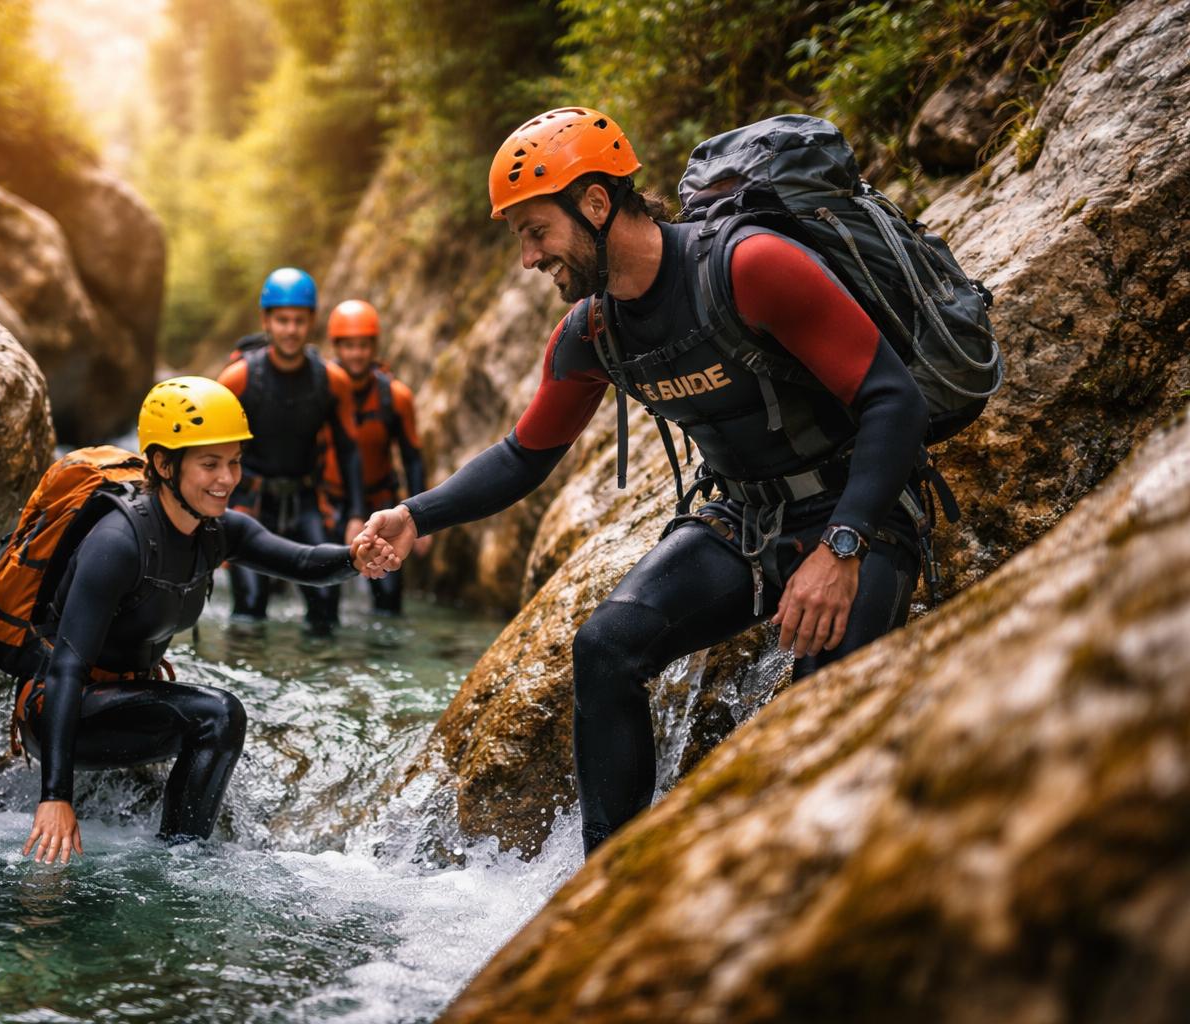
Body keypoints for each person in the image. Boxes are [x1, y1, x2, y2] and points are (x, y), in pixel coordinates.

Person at [356, 107, 931, 857]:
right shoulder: (592, 332)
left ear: (596, 204)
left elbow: (894, 399)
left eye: (536, 232)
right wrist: (415, 515)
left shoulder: (748, 267)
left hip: (862, 515)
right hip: (745, 522)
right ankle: (605, 881)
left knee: (812, 716)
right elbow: (525, 454)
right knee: (605, 647)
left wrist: (843, 548)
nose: (529, 259)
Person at [17, 376, 389, 864]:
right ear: (164, 464)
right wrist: (55, 797)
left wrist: (355, 556)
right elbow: (66, 667)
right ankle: (179, 864)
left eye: (233, 462)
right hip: (56, 711)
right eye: (209, 464)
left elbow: (301, 563)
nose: (227, 478)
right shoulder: (118, 543)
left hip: (116, 699)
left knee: (216, 716)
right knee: (219, 714)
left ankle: (178, 858)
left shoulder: (216, 532)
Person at [218, 268, 367, 634]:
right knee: (250, 609)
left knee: (326, 604)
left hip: (304, 501)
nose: (291, 329)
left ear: (312, 321)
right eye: (282, 320)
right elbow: (211, 450)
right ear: (266, 320)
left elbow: (349, 451)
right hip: (250, 503)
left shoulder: (332, 381)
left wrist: (356, 514)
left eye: (299, 321)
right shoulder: (238, 378)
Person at [319, 299, 431, 614]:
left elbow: (412, 458)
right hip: (330, 504)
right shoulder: (320, 392)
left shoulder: (395, 397)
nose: (357, 354)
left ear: (374, 346)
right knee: (324, 601)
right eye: (349, 346)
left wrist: (424, 522)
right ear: (336, 346)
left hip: (380, 503)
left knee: (389, 598)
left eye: (364, 345)